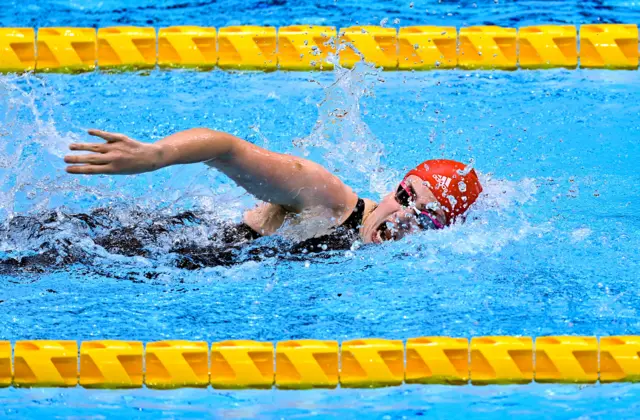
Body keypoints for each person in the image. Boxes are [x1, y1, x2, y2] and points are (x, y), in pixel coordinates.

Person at [63, 128, 483, 253]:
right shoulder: (332, 200)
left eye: (427, 219)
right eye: (407, 199)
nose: (405, 218)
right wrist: (155, 156)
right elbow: (225, 147)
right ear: (396, 188)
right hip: (129, 244)